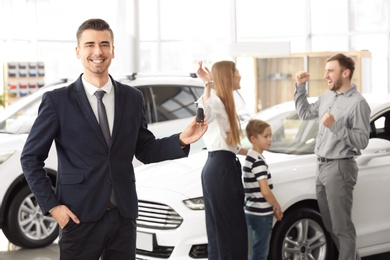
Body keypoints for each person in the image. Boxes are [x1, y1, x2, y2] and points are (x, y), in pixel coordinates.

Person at [20, 18, 207, 260]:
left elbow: (145, 149)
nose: (98, 51)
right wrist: (53, 207)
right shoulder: (58, 101)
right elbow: (31, 158)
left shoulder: (132, 98)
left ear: (113, 50)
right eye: (90, 45)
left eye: (104, 44)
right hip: (78, 216)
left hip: (123, 216)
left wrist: (182, 139)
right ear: (78, 51)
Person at [294, 53, 370, 260]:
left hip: (340, 168)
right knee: (330, 226)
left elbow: (362, 140)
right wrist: (300, 87)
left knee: (342, 227)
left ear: (345, 73)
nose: (325, 74)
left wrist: (335, 126)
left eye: (330, 70)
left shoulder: (358, 103)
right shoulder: (327, 97)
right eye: (326, 70)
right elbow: (304, 113)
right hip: (322, 166)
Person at [196, 60, 248, 260]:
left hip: (224, 165)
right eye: (237, 72)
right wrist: (207, 84)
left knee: (224, 231)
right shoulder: (215, 101)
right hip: (220, 168)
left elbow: (231, 145)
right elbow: (204, 117)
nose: (240, 76)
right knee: (227, 232)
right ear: (228, 76)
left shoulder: (225, 102)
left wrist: (252, 153)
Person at [243, 119, 283, 260]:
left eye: (270, 135)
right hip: (262, 213)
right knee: (261, 252)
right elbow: (265, 191)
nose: (270, 139)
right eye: (265, 136)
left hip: (250, 210)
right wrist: (276, 206)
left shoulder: (249, 157)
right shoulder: (259, 162)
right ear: (253, 139)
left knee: (252, 251)